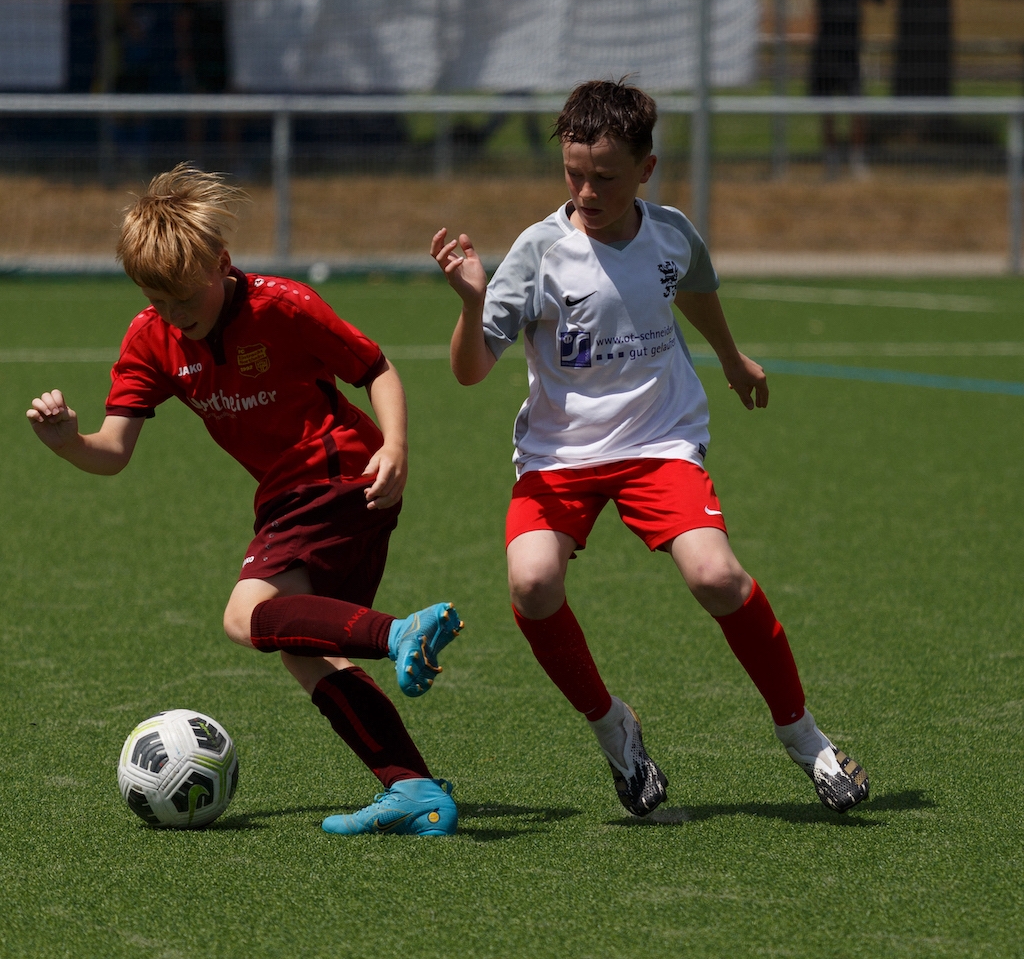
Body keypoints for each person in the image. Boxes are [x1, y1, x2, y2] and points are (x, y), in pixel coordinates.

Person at [431, 79, 869, 818]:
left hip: (659, 441)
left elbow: (690, 286)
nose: (586, 192)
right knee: (532, 584)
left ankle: (805, 738)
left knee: (716, 575)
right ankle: (615, 731)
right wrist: (473, 306)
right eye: (573, 174)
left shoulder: (671, 233)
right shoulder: (538, 253)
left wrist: (731, 357)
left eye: (605, 177)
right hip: (559, 456)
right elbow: (471, 371)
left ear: (646, 169)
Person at [27, 164, 463, 836]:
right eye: (158, 300)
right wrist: (66, 441)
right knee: (303, 648)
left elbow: (374, 368)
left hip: (339, 474)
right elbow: (112, 449)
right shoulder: (152, 338)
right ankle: (415, 791)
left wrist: (397, 446)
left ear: (221, 263)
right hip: (294, 496)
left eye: (184, 299)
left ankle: (399, 634)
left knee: (244, 615)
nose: (175, 316)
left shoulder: (283, 306)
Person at [809, 0, 883, 178]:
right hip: (826, 53)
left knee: (857, 106)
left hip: (850, 55)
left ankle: (857, 159)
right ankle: (831, 158)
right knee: (827, 109)